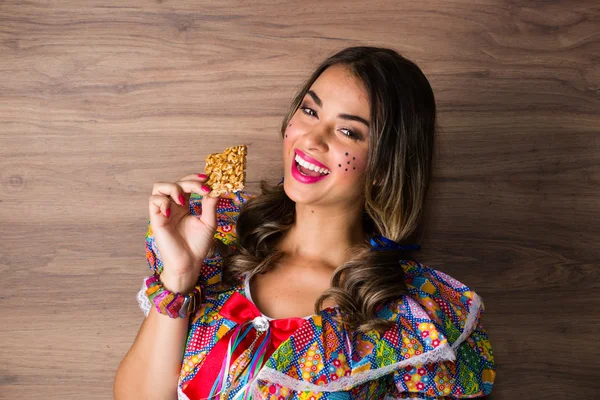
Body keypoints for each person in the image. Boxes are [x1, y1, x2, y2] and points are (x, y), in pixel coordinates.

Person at [114, 46, 496, 400]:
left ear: (384, 167)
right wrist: (179, 279)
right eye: (310, 112)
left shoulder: (416, 318)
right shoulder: (218, 238)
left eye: (348, 131)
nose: (312, 139)